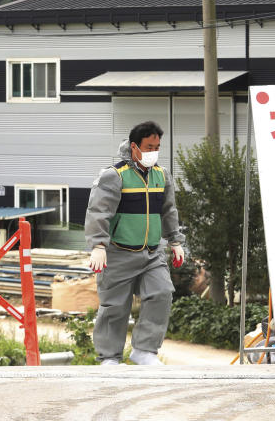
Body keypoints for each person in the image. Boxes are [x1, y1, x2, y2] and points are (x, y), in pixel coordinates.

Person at [84, 121, 186, 366]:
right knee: (115, 306)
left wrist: (175, 241)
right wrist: (98, 245)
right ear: (134, 147)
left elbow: (168, 210)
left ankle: (145, 350)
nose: (154, 152)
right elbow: (98, 212)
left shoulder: (161, 175)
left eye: (157, 147)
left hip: (152, 253)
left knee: (161, 293)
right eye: (149, 146)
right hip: (118, 252)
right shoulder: (114, 175)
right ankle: (109, 357)